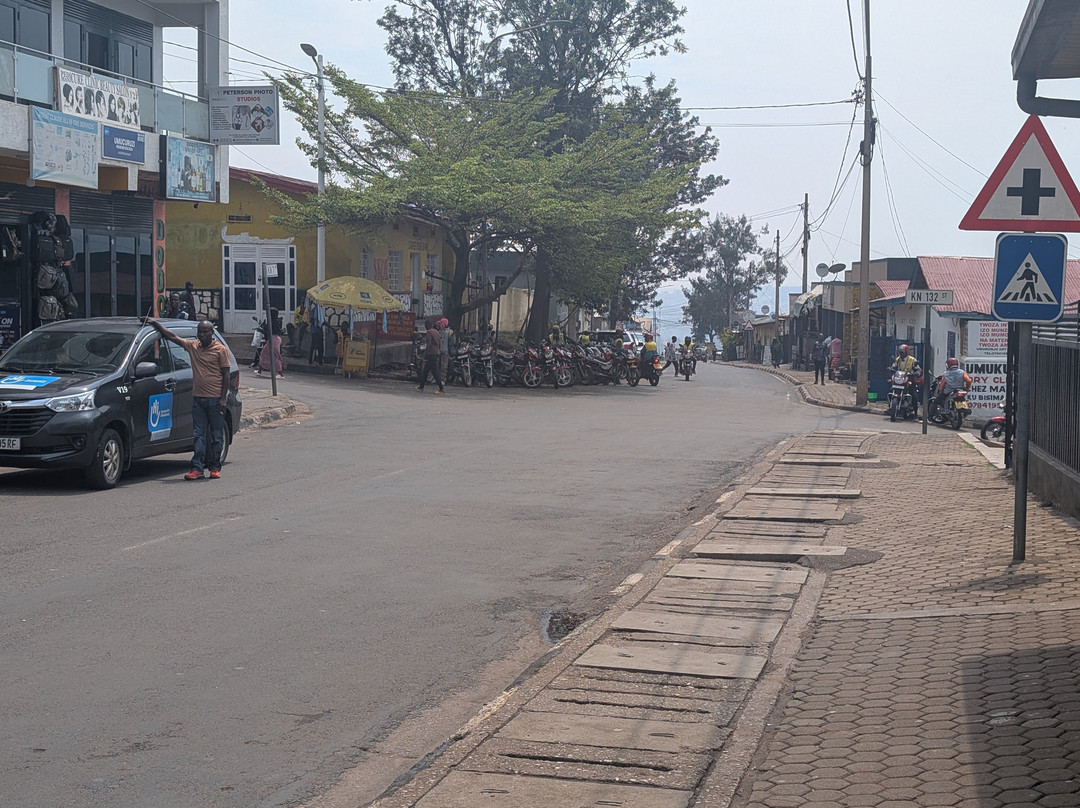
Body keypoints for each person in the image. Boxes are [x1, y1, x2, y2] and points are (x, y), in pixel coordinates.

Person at [146, 317, 230, 480]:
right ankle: (197, 467)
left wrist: (222, 398)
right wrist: (156, 324)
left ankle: (215, 467)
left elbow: (226, 374)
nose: (202, 335)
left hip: (215, 399)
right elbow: (172, 337)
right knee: (198, 434)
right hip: (198, 398)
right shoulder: (193, 347)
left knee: (216, 435)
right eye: (200, 332)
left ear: (212, 332)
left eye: (206, 332)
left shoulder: (221, 350)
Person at [890, 344, 922, 414]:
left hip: (909, 379)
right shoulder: (897, 359)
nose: (901, 354)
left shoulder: (912, 360)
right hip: (899, 379)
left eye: (902, 352)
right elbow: (894, 366)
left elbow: (918, 369)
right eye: (900, 352)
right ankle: (890, 406)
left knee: (913, 394)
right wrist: (891, 369)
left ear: (906, 352)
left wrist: (916, 373)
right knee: (890, 388)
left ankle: (915, 411)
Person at [416, 317, 445, 394]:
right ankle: (421, 387)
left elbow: (428, 344)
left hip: (431, 353)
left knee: (434, 372)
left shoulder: (429, 332)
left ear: (427, 326)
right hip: (436, 353)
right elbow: (439, 343)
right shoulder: (436, 332)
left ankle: (441, 388)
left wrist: (425, 353)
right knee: (425, 371)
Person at [255, 310, 283, 378]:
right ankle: (259, 370)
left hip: (274, 339)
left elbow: (268, 331)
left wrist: (261, 330)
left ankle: (280, 373)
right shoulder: (275, 321)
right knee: (265, 353)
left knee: (274, 356)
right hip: (274, 339)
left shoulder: (272, 322)